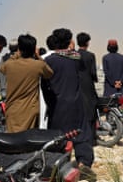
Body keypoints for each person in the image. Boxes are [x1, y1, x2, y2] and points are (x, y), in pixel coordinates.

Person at [42, 28, 96, 179]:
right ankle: (83, 164)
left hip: (58, 105)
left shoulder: (49, 61)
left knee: (58, 137)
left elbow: (44, 86)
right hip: (76, 104)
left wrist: (50, 103)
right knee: (82, 134)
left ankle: (59, 168)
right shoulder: (76, 59)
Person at [0, 34, 53, 132]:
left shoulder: (9, 65)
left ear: (19, 49)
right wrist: (38, 56)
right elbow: (49, 73)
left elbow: (2, 69)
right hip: (30, 111)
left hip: (13, 110)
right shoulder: (38, 65)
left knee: (13, 141)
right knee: (29, 141)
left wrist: (16, 55)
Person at [76, 32, 99, 145]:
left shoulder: (73, 55)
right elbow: (93, 73)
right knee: (91, 111)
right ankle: (92, 138)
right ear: (87, 43)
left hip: (77, 85)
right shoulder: (90, 56)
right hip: (88, 85)